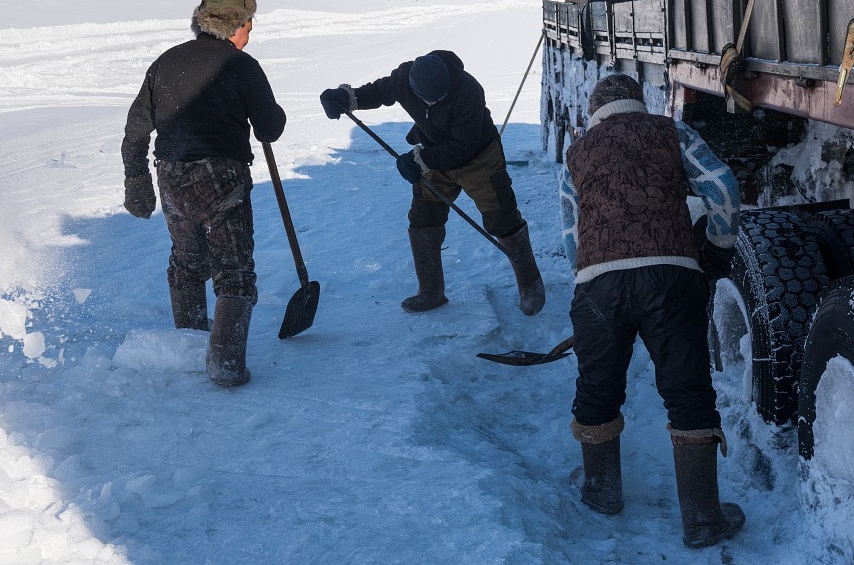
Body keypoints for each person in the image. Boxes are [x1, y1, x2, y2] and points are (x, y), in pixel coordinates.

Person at [558, 73, 744, 549]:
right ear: (639, 104)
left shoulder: (576, 154)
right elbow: (722, 187)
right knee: (688, 393)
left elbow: (570, 235)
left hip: (598, 286)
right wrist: (717, 248)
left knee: (597, 390)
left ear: (595, 111)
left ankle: (602, 493)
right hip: (671, 277)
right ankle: (702, 519)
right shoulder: (671, 132)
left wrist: (589, 281)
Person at [121, 0, 286, 387]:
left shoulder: (167, 62)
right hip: (221, 177)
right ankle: (226, 365)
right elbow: (269, 128)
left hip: (172, 176)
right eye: (249, 24)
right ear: (235, 26)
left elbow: (136, 129)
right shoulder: (241, 66)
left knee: (188, 262)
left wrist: (137, 178)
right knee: (234, 270)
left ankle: (192, 347)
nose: (251, 33)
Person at [318, 50, 544, 316]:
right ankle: (431, 290)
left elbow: (463, 147)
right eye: (427, 99)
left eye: (439, 98)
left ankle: (530, 282)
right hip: (433, 152)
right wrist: (347, 97)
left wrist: (419, 161)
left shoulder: (469, 90)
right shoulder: (404, 78)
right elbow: (379, 92)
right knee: (424, 216)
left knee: (502, 217)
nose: (432, 103)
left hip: (479, 157)